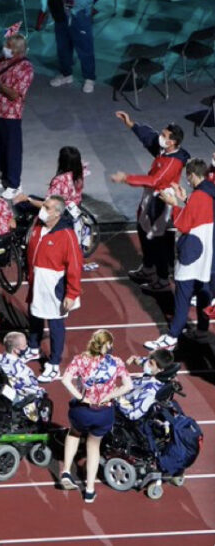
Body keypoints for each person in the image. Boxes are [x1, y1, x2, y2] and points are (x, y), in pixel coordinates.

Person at [111, 111, 190, 292]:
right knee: (142, 227)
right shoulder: (165, 149)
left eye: (164, 136)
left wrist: (126, 178)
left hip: (161, 200)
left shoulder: (173, 162)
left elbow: (155, 180)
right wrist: (131, 124)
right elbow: (150, 138)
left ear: (172, 143)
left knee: (157, 238)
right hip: (151, 197)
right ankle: (148, 268)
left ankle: (162, 279)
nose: (160, 137)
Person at [146, 158, 215, 350]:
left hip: (192, 252)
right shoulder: (209, 192)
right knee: (204, 293)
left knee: (183, 295)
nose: (187, 181)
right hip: (207, 254)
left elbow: (183, 224)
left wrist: (174, 203)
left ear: (192, 175)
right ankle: (202, 330)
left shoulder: (199, 196)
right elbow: (198, 213)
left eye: (188, 177)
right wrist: (185, 199)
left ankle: (172, 336)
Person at [59, 329, 134, 503]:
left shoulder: (80, 360)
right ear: (108, 345)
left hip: (82, 410)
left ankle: (67, 471)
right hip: (103, 412)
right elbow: (128, 385)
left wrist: (80, 397)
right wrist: (109, 396)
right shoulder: (116, 362)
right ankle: (90, 490)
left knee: (74, 433)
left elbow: (65, 379)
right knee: (94, 446)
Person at [24, 196, 82, 382]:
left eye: (47, 207)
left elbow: (75, 264)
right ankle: (34, 347)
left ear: (57, 212)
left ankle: (55, 364)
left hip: (54, 286)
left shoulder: (67, 235)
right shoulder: (39, 226)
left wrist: (72, 293)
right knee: (34, 313)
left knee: (55, 323)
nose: (42, 209)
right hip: (37, 281)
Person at [0, 32, 34, 200]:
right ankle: (5, 177)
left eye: (9, 47)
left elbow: (14, 95)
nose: (5, 49)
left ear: (18, 51)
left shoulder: (26, 68)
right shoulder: (2, 60)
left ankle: (14, 184)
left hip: (11, 115)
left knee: (12, 150)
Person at [0, 332, 45, 418]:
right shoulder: (23, 370)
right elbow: (33, 389)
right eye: (25, 345)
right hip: (12, 402)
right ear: (16, 350)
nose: (26, 347)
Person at [13, 146, 84, 215]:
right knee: (32, 196)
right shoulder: (80, 173)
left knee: (22, 204)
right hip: (74, 208)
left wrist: (28, 199)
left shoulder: (59, 180)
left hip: (59, 213)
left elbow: (48, 205)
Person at [48, 0, 96, 93]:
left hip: (79, 12)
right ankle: (66, 74)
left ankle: (89, 78)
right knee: (62, 46)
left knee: (85, 48)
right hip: (59, 11)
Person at [117, 349, 175, 420]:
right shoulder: (159, 375)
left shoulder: (150, 392)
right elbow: (147, 362)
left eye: (150, 363)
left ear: (161, 369)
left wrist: (116, 398)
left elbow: (133, 414)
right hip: (127, 393)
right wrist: (136, 359)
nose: (147, 364)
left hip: (122, 406)